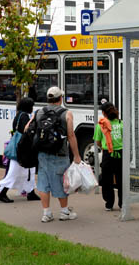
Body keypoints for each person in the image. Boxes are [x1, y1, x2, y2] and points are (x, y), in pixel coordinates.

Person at [32, 86, 81, 222]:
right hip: (60, 154)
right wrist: (76, 156)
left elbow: (29, 129)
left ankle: (46, 213)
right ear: (61, 98)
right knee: (61, 182)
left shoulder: (39, 112)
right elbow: (71, 136)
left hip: (42, 153)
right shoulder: (67, 114)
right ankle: (64, 212)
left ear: (48, 98)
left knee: (43, 183)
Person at [0, 97, 40, 203]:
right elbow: (26, 131)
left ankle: (31, 192)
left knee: (28, 171)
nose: (32, 108)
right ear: (27, 107)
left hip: (21, 149)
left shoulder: (19, 115)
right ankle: (2, 193)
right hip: (22, 150)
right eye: (31, 106)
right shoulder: (24, 117)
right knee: (15, 173)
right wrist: (32, 121)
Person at [93, 102, 123, 211]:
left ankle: (109, 203)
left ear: (104, 113)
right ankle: (122, 203)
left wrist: (105, 146)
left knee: (107, 179)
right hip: (120, 153)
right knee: (121, 178)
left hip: (108, 154)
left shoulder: (100, 125)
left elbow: (98, 142)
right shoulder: (121, 123)